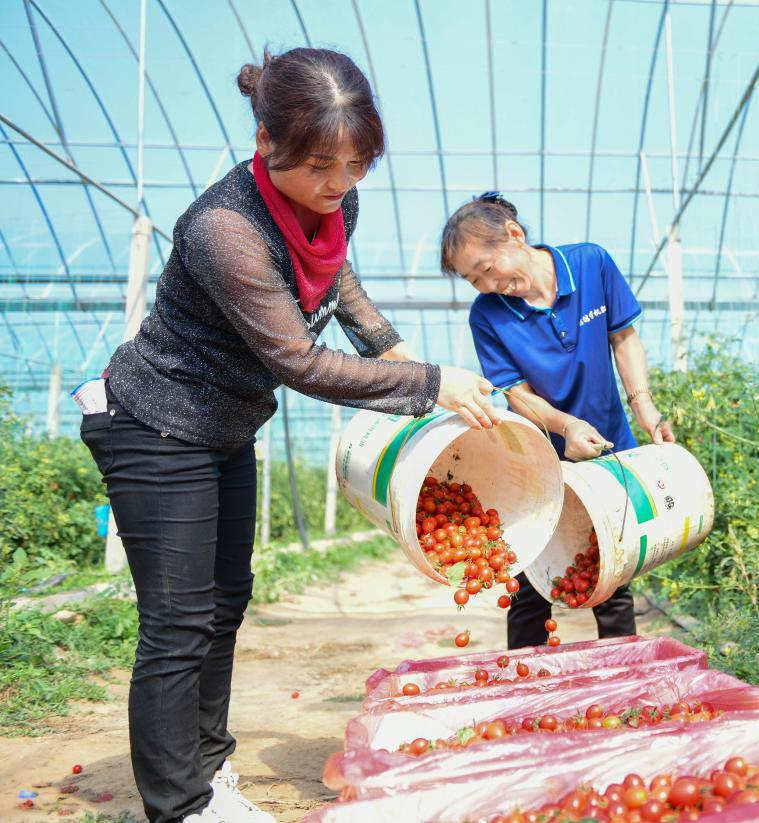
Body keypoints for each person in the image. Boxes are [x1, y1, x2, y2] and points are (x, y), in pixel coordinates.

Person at [79, 48, 497, 823]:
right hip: (155, 423)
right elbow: (296, 360)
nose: (338, 184)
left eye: (356, 163)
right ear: (268, 142)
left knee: (225, 602)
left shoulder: (336, 202)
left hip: (226, 425)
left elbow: (336, 278)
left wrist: (389, 347)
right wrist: (428, 381)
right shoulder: (222, 228)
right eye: (319, 166)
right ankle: (179, 807)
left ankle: (208, 772)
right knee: (177, 622)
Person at [440, 192, 674, 649]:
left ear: (514, 235)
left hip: (609, 449)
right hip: (538, 460)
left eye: (486, 269)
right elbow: (517, 396)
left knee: (612, 570)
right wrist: (565, 427)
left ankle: (623, 675)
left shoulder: (589, 264)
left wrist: (644, 407)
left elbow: (624, 339)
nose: (486, 286)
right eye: (473, 280)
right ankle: (526, 687)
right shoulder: (487, 316)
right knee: (531, 579)